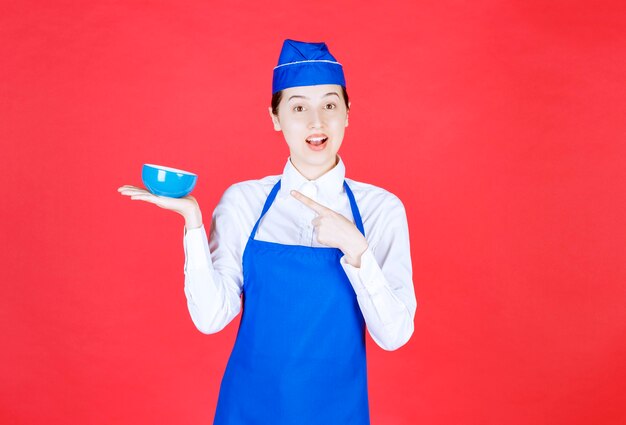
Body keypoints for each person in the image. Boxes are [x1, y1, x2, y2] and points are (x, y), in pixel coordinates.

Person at [118, 39, 417, 425]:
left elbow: (394, 335)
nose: (316, 122)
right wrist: (192, 221)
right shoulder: (244, 200)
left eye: (330, 104)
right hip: (248, 409)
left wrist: (356, 249)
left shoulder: (381, 210)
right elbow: (211, 319)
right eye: (298, 107)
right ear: (275, 118)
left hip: (338, 411)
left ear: (348, 113)